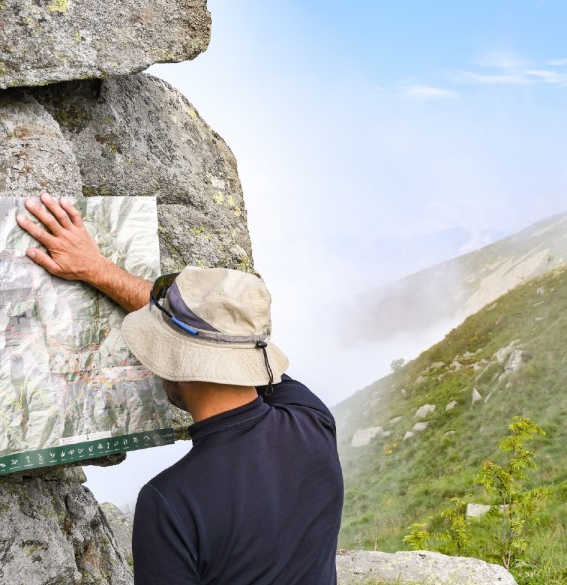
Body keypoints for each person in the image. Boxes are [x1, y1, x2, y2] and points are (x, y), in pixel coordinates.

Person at [17, 193, 344, 584]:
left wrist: (99, 269)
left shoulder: (170, 502)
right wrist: (98, 269)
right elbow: (226, 343)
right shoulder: (312, 421)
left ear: (177, 361)